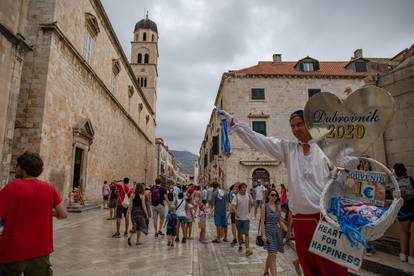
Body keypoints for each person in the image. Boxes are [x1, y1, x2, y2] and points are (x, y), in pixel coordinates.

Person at [218, 109, 350, 276]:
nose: (295, 129)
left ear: (310, 125)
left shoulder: (327, 150)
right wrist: (233, 124)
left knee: (332, 269)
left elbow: (342, 184)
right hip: (301, 221)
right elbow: (261, 141)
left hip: (325, 220)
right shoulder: (289, 149)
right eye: (292, 126)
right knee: (309, 268)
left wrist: (348, 168)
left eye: (299, 124)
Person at [0, 152, 68, 275]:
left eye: (17, 166)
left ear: (24, 169)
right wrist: (49, 212)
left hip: (13, 248)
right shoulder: (49, 188)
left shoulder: (10, 188)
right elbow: (63, 214)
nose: (15, 168)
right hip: (40, 249)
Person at [261, 189, 286, 276]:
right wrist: (263, 235)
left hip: (276, 232)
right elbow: (263, 221)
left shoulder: (278, 207)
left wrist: (288, 231)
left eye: (276, 195)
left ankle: (265, 271)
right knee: (273, 256)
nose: (274, 196)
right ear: (268, 196)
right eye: (272, 195)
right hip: (268, 232)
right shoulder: (264, 206)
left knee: (271, 254)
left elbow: (280, 221)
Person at [394, 163, 414, 264]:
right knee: (413, 233)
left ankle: (403, 255)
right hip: (413, 207)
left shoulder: (394, 183)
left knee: (403, 232)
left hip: (402, 210)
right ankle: (412, 257)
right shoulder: (410, 179)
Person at [231, 183, 253, 256]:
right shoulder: (236, 197)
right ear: (239, 189)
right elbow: (233, 206)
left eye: (245, 188)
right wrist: (236, 212)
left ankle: (247, 249)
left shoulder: (248, 195)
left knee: (246, 233)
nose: (244, 189)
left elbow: (252, 202)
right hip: (238, 219)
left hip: (246, 218)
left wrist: (250, 207)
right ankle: (240, 245)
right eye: (243, 188)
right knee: (239, 233)